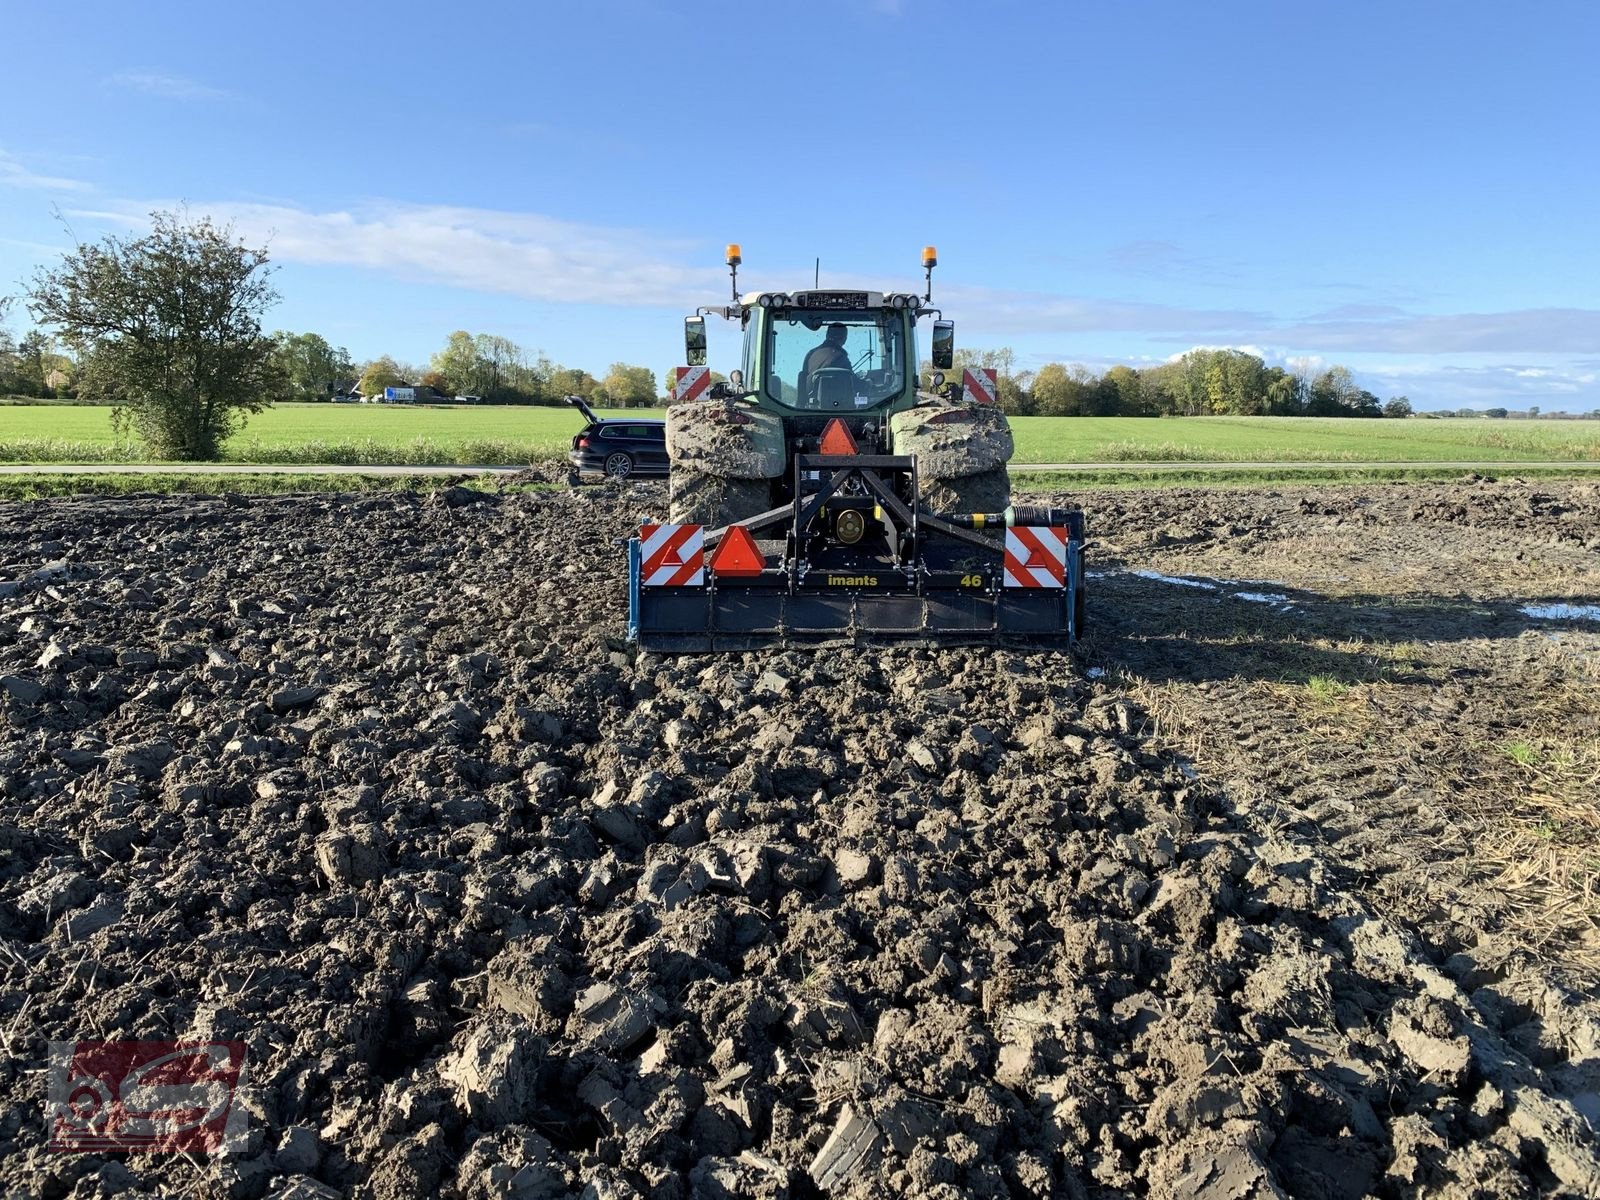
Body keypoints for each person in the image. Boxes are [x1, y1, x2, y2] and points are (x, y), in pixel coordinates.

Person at [798, 323, 852, 405]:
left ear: (827, 335)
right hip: (838, 405)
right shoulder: (841, 356)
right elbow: (852, 382)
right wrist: (867, 384)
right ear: (845, 339)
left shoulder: (811, 354)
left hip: (812, 405)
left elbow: (803, 379)